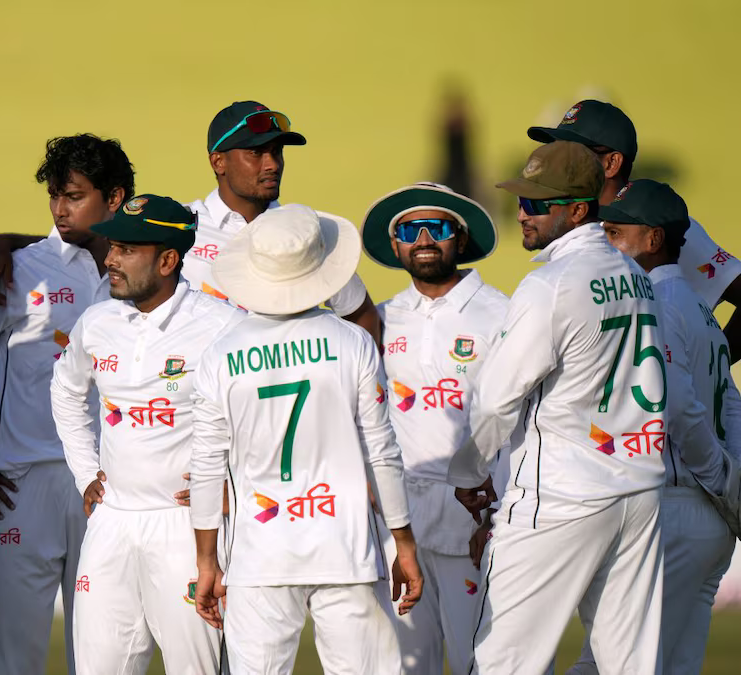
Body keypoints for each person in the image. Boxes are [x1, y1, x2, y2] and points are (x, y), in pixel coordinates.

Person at [448, 141, 666, 673]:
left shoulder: (550, 283)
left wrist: (469, 472)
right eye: (522, 199)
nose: (523, 212)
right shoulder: (635, 275)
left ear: (578, 209)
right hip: (638, 490)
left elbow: (497, 399)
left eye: (538, 203)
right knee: (628, 665)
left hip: (562, 494)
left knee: (504, 663)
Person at [0, 133, 134, 674]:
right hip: (17, 489)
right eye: (55, 196)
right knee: (11, 663)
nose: (60, 210)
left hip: (106, 487)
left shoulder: (141, 270)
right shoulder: (18, 267)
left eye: (74, 196)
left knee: (105, 659)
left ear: (113, 199)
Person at [189, 203, 423, 675]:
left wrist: (206, 561)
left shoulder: (218, 354)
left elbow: (207, 465)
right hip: (346, 548)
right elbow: (382, 450)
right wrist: (404, 543)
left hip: (260, 554)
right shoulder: (351, 341)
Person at [0, 101, 384, 345]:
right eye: (256, 153)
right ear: (218, 161)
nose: (272, 163)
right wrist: (4, 242)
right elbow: (97, 236)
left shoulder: (303, 234)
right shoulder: (177, 224)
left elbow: (361, 315)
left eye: (277, 152)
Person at [50, 194, 241, 674]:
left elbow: (262, 414)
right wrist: (84, 472)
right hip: (111, 523)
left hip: (185, 528)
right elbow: (65, 391)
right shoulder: (97, 321)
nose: (111, 259)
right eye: (113, 245)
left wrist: (233, 484)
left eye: (127, 249)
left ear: (168, 260)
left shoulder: (224, 326)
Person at [564, 179, 740, 675]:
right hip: (707, 521)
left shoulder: (655, 306)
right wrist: (730, 485)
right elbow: (732, 406)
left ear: (654, 239)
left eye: (616, 233)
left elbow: (681, 409)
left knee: (609, 663)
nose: (606, 242)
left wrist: (719, 480)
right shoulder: (702, 311)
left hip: (673, 505)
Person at [360, 182, 506, 673]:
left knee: (482, 663)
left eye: (438, 227)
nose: (424, 238)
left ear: (460, 241)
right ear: (396, 245)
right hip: (400, 527)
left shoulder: (502, 314)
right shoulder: (383, 318)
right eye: (408, 230)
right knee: (405, 665)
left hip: (477, 522)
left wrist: (501, 514)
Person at [527, 99, 741, 361]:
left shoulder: (660, 226)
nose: (557, 163)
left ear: (611, 163)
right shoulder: (570, 227)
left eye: (572, 154)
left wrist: (714, 365)